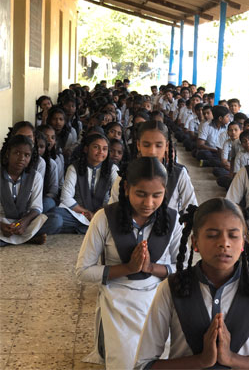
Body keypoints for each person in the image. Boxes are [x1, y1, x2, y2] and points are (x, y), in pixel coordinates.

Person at [134, 198, 249, 370]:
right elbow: (143, 365)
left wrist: (231, 359)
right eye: (212, 235)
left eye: (233, 235)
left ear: (243, 243)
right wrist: (201, 361)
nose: (224, 243)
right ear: (195, 243)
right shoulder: (172, 288)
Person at [76, 157, 182, 370]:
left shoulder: (172, 219)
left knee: (161, 360)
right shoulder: (104, 218)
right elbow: (83, 271)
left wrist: (152, 268)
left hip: (158, 294)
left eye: (157, 195)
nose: (148, 203)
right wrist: (128, 269)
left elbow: (184, 268)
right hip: (118, 296)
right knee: (126, 363)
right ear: (126, 188)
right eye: (141, 194)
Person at [109, 120, 197, 214]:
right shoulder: (125, 174)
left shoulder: (179, 174)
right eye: (146, 145)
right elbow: (113, 209)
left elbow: (192, 210)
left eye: (158, 145)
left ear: (166, 146)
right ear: (138, 145)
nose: (152, 151)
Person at [0, 135, 62, 246]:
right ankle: (28, 239)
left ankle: (9, 239)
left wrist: (24, 222)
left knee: (56, 220)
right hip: (2, 221)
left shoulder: (35, 177)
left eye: (27, 155)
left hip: (24, 222)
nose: (21, 158)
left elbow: (36, 207)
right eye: (17, 153)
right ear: (8, 153)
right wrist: (1, 225)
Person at [53, 133, 118, 234]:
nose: (101, 152)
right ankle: (92, 228)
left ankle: (82, 228)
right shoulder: (74, 168)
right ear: (86, 149)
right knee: (56, 215)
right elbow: (66, 198)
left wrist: (98, 213)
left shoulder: (112, 169)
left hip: (103, 213)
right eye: (96, 147)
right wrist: (86, 212)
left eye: (105, 149)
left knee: (119, 216)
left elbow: (117, 196)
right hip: (79, 213)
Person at [35, 131, 59, 213]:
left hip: (43, 198)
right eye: (35, 146)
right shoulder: (24, 162)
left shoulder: (52, 164)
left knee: (48, 203)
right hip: (26, 200)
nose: (38, 149)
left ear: (46, 148)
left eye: (41, 147)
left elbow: (54, 190)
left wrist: (39, 199)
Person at [38, 124, 65, 191]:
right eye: (46, 137)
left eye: (52, 138)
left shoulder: (55, 161)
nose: (50, 140)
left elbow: (57, 187)